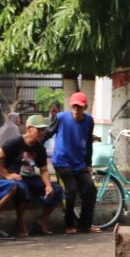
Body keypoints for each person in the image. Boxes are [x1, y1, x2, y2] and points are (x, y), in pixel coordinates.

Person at [0, 114, 64, 237]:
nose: (42, 132)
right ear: (29, 129)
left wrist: (48, 185)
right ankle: (20, 223)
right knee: (23, 190)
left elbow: (44, 170)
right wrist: (6, 174)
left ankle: (42, 220)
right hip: (17, 177)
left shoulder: (39, 148)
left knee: (57, 190)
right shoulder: (15, 141)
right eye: (39, 129)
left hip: (30, 177)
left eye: (44, 130)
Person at [51, 92, 100, 234]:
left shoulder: (89, 121)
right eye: (74, 107)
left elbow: (89, 142)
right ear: (70, 107)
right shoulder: (61, 118)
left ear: (85, 107)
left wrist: (88, 163)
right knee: (71, 189)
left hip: (79, 162)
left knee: (90, 189)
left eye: (79, 107)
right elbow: (49, 132)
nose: (76, 111)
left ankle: (85, 224)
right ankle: (69, 224)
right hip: (62, 161)